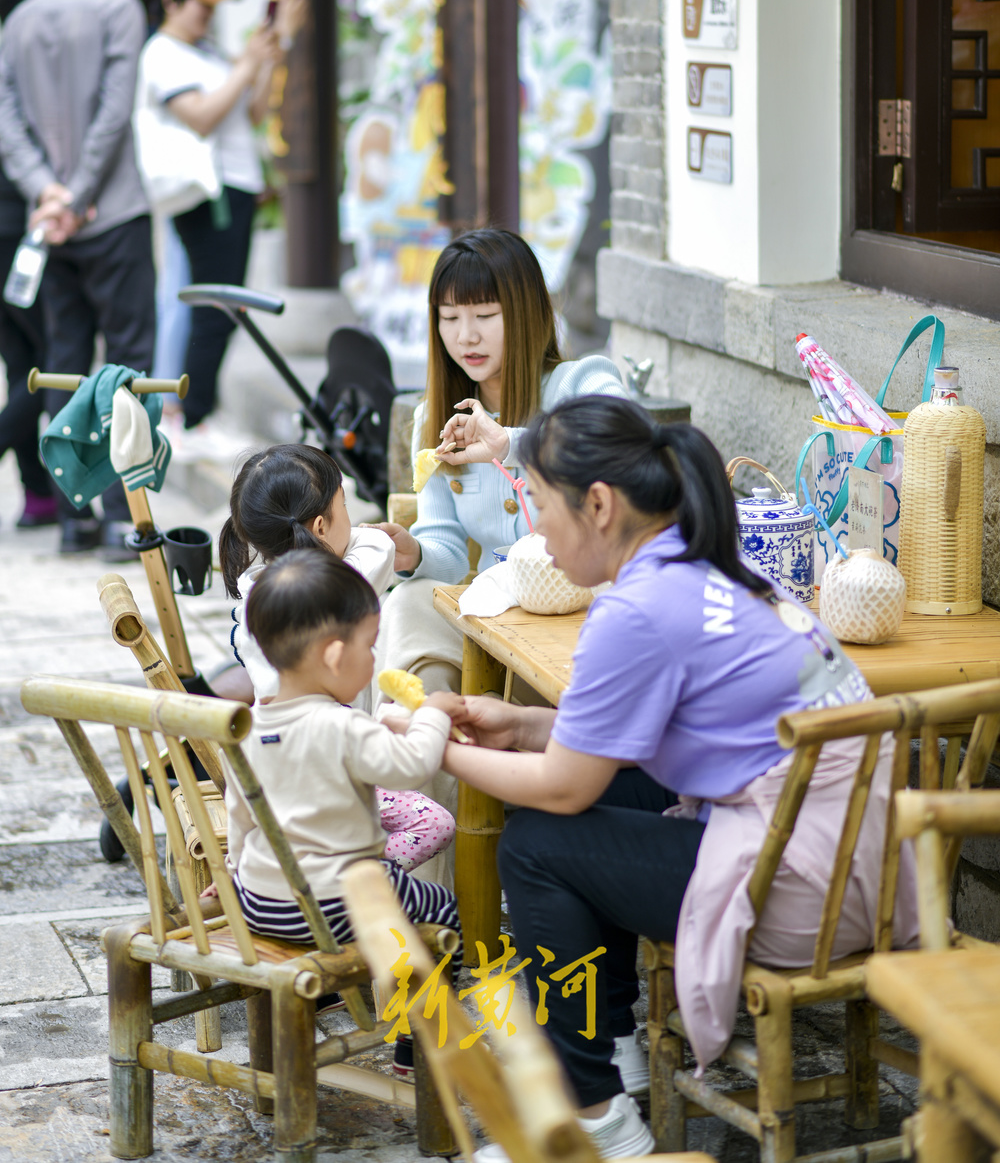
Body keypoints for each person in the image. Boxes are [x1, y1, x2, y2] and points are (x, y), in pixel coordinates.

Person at [443, 397, 918, 1163]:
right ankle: (612, 1049)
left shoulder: (637, 608)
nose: (531, 525)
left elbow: (565, 786)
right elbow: (609, 748)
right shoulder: (711, 564)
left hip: (797, 887)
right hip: (858, 866)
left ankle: (594, 1112)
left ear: (597, 505)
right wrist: (518, 724)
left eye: (534, 498)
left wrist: (436, 746)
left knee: (538, 839)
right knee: (592, 805)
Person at [221, 547, 465, 1075]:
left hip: (260, 904)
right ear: (334, 656)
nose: (375, 661)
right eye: (369, 647)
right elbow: (412, 767)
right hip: (336, 902)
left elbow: (240, 824)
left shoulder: (245, 730)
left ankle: (304, 1010)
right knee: (442, 913)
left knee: (370, 888)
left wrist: (234, 878)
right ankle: (418, 1045)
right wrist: (433, 716)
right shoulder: (341, 725)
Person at [373, 227, 628, 701]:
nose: (465, 335)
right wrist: (415, 553)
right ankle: (413, 756)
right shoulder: (436, 417)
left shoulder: (582, 383)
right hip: (495, 605)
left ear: (527, 313)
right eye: (449, 317)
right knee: (407, 601)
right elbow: (448, 556)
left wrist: (509, 444)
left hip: (584, 606)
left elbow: (626, 452)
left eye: (485, 315)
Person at [0, 0, 154, 556]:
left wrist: (46, 190)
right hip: (111, 211)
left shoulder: (24, 17)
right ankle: (125, 515)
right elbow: (113, 115)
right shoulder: (120, 8)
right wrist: (80, 194)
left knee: (63, 362)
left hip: (51, 219)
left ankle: (74, 515)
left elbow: (5, 118)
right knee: (128, 365)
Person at [220, 443, 454, 869]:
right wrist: (437, 715)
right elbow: (379, 546)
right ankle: (354, 878)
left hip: (271, 780)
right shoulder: (342, 587)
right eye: (345, 505)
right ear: (322, 526)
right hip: (332, 777)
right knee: (433, 823)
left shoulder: (253, 592)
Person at [136, 0, 305, 453]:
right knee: (217, 306)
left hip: (235, 187)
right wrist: (248, 62)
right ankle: (192, 417)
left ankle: (196, 413)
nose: (208, 14)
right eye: (200, 5)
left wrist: (269, 59)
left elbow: (249, 112)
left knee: (225, 304)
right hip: (207, 194)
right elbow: (203, 115)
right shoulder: (162, 53)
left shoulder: (206, 53)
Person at [0, 0, 57, 529]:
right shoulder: (21, 70)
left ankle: (38, 499)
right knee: (44, 369)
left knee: (23, 364)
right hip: (23, 240)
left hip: (16, 244)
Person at [131, 0, 195, 402]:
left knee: (174, 282)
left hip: (164, 182)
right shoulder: (157, 44)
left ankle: (164, 390)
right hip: (170, 182)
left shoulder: (151, 35)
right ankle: (166, 394)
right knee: (176, 284)